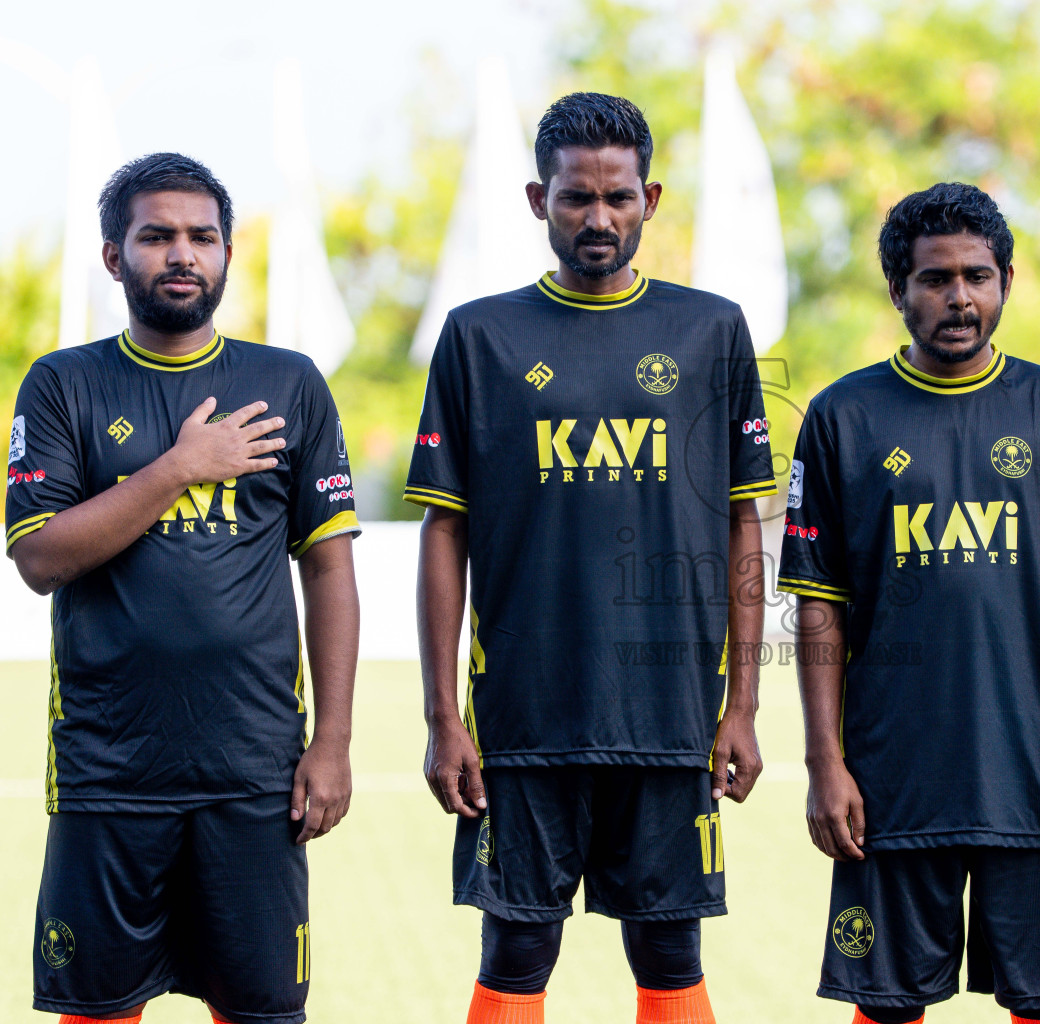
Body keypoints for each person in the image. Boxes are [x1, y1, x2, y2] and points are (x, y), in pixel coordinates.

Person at [407, 92, 776, 1024]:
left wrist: (743, 705)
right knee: (517, 946)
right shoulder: (479, 336)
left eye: (618, 198)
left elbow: (744, 523)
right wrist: (443, 715)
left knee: (669, 947)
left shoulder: (711, 330)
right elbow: (443, 531)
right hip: (524, 715)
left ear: (651, 197)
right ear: (540, 200)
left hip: (671, 716)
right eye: (576, 198)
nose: (598, 218)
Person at [8, 152, 360, 1024]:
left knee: (261, 1011)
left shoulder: (288, 384)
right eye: (156, 235)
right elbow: (40, 558)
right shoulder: (64, 384)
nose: (182, 254)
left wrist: (335, 742)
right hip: (107, 771)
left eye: (203, 237)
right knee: (98, 1009)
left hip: (255, 771)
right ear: (112, 255)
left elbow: (329, 568)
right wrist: (180, 467)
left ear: (229, 254)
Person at [779, 182, 1040, 1024]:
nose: (960, 297)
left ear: (1008, 279)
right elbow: (820, 608)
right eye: (935, 279)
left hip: (1035, 776)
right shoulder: (841, 417)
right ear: (897, 290)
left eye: (978, 275)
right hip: (891, 778)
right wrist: (825, 762)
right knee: (889, 1003)